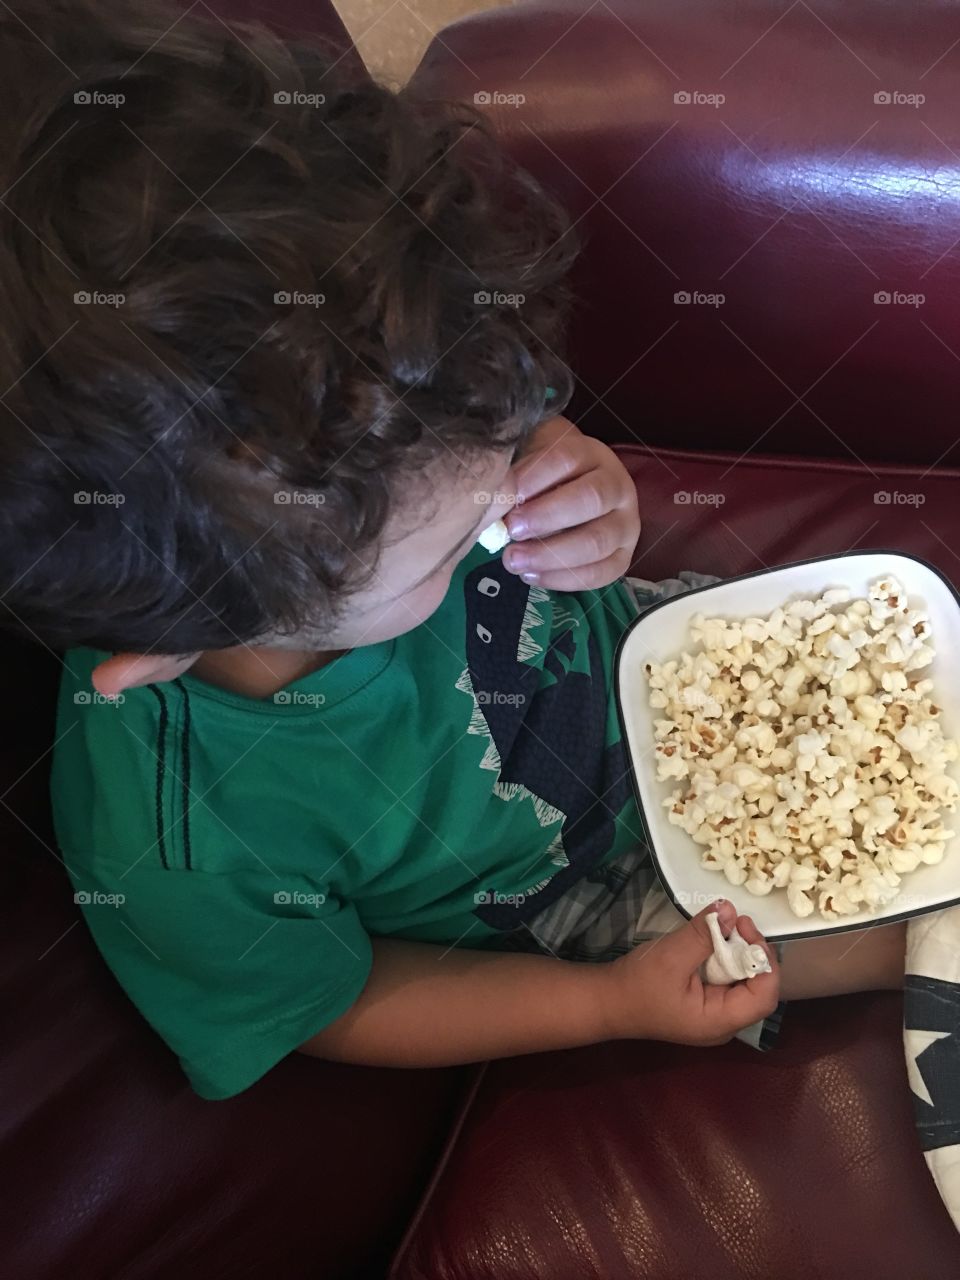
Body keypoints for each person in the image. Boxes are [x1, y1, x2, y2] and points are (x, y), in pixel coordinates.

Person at [0, 0, 905, 1099]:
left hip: (669, 658)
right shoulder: (179, 839)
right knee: (899, 922)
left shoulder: (388, 408)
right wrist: (603, 1003)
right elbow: (330, 1004)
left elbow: (507, 453)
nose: (504, 491)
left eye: (507, 443)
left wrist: (581, 480)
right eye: (453, 547)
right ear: (179, 634)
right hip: (582, 886)